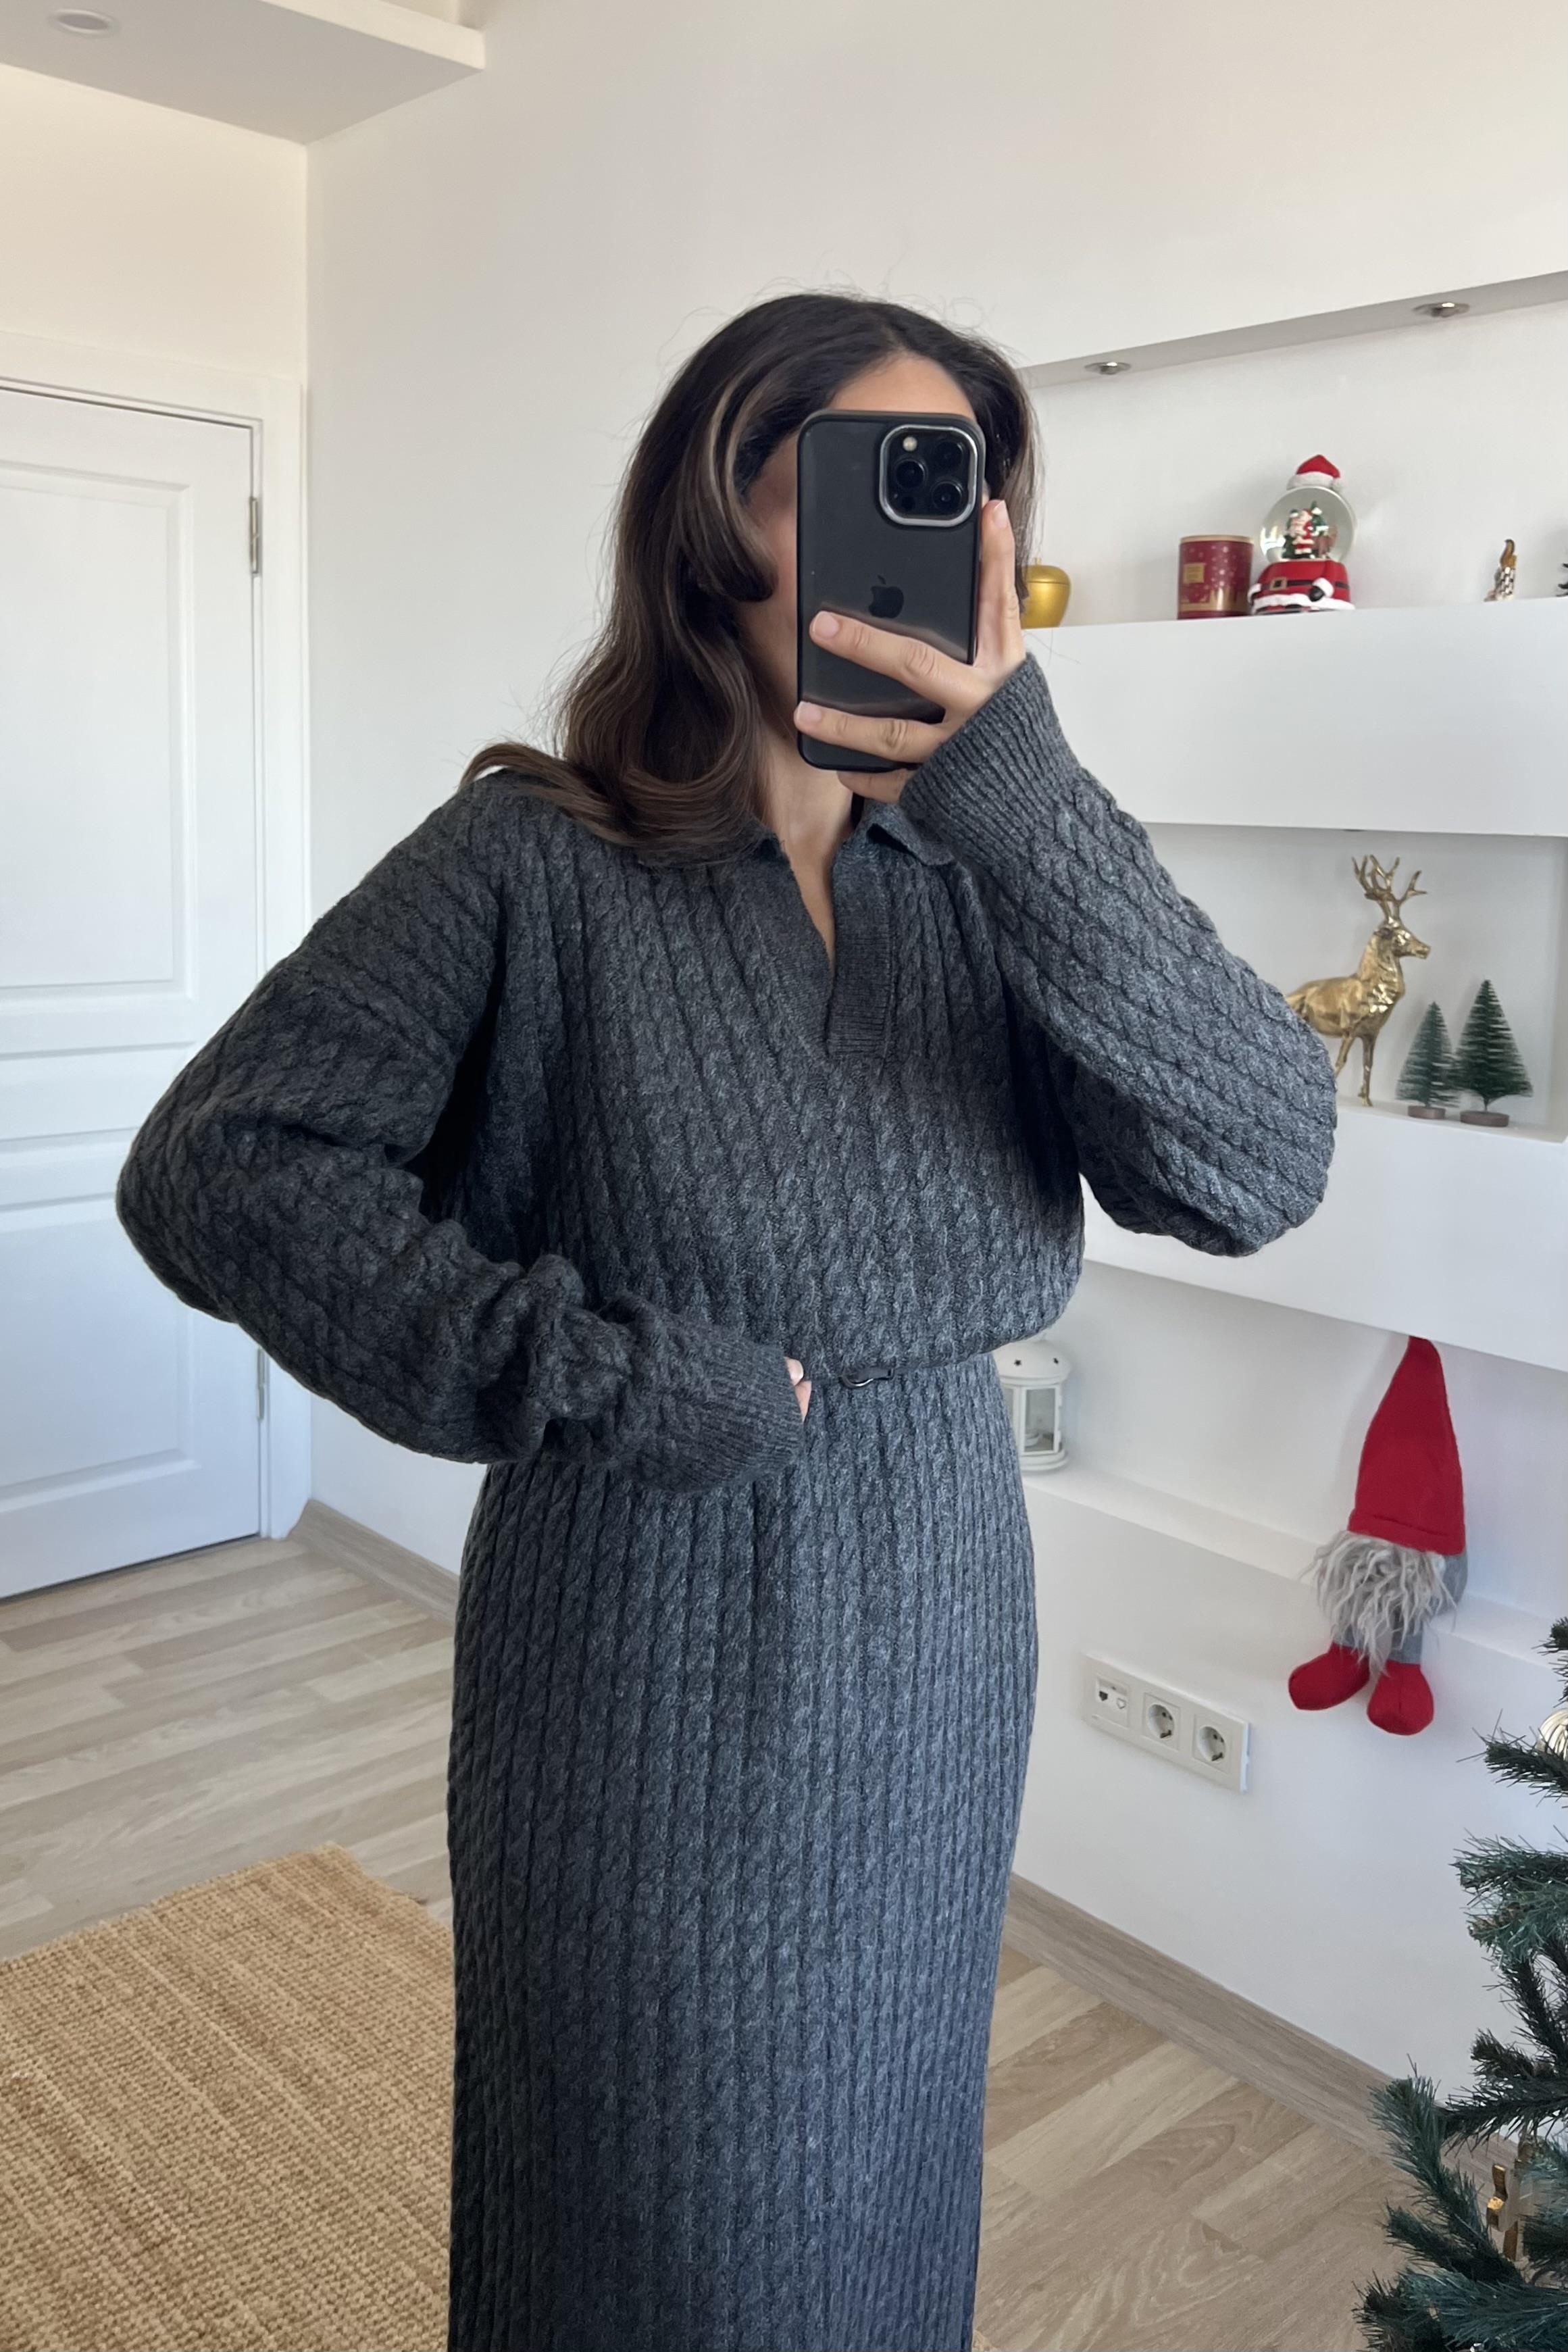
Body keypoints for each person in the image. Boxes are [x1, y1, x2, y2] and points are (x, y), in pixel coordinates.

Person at [114, 289, 1338, 2352]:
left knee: (879, 2178)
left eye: (962, 488)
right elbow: (222, 1162)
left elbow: (1258, 1163)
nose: (922, 532)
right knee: (655, 2209)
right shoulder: (534, 858)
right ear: (712, 523)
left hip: (936, 1601)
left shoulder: (999, 872)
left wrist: (1024, 799)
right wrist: (588, 1371)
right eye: (864, 478)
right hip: (645, 1621)